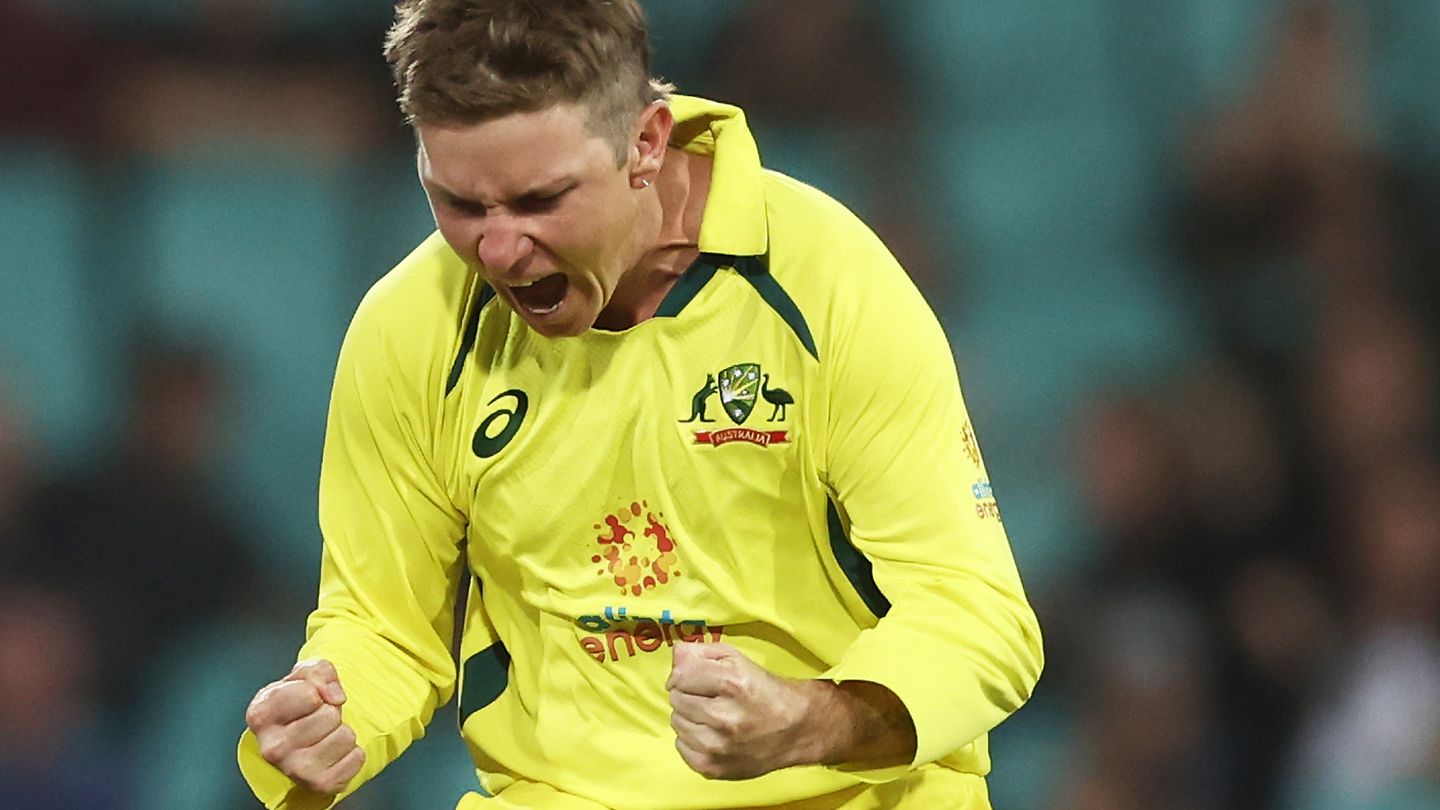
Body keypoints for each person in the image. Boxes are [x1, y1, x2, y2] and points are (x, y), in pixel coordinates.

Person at [238, 1, 1043, 808]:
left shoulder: (830, 288)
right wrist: (327, 716)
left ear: (646, 143)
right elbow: (384, 630)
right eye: (458, 204)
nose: (498, 249)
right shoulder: (411, 327)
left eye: (540, 200)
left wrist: (808, 721)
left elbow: (979, 620)